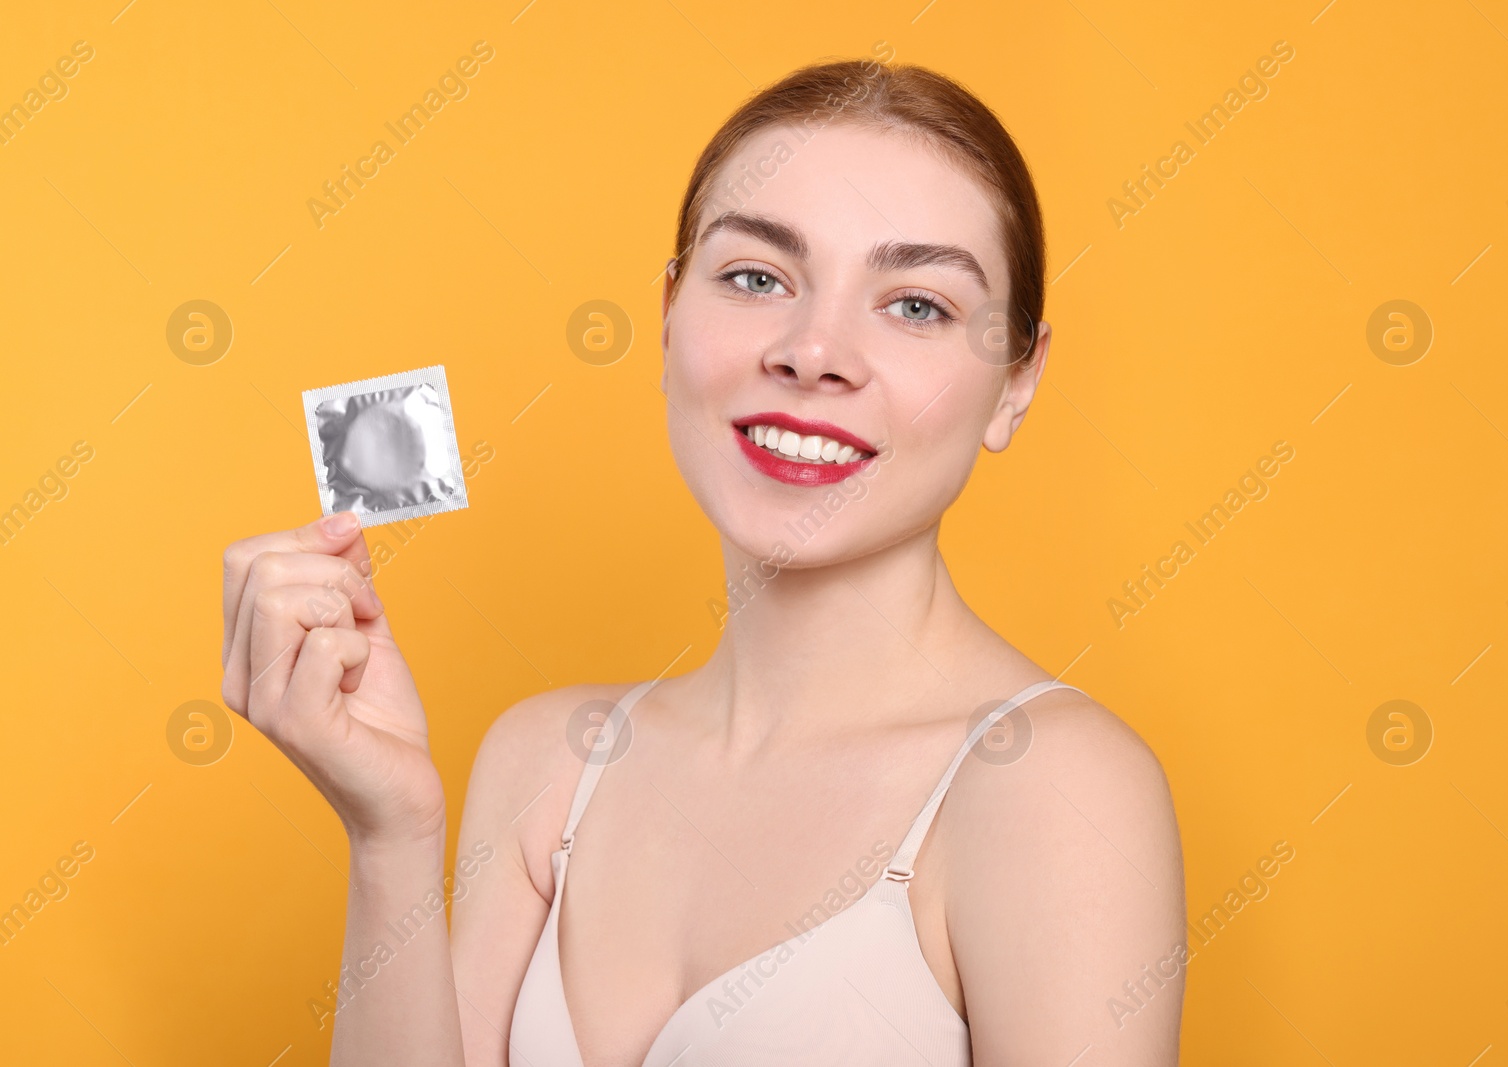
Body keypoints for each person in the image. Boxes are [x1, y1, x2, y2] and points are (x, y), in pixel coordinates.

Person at [220, 58, 1184, 1066]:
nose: (813, 351)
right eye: (757, 277)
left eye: (915, 305)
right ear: (672, 314)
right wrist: (390, 834)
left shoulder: (1051, 787)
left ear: (1017, 381)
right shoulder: (548, 760)